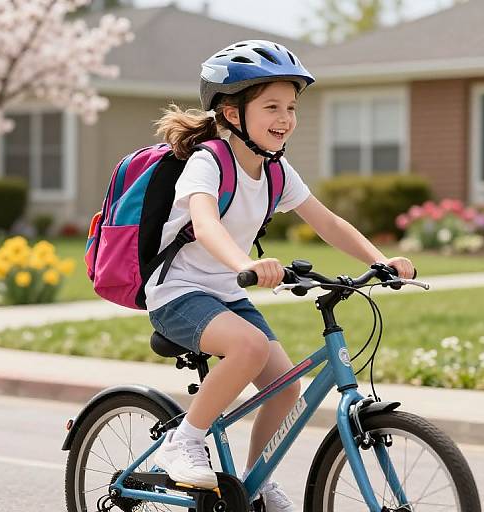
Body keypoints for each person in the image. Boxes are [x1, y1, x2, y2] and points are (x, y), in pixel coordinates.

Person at [148, 40, 415, 511]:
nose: (285, 118)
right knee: (248, 347)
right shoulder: (209, 161)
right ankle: (184, 441)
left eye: (291, 107)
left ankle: (256, 483)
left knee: (285, 387)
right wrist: (244, 265)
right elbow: (206, 221)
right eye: (271, 106)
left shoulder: (276, 170)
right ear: (232, 114)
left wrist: (381, 260)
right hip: (178, 291)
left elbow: (327, 221)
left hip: (227, 293)